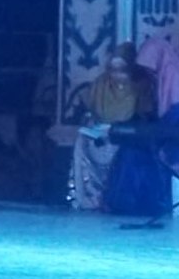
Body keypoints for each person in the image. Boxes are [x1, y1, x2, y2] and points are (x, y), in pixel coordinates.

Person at [68, 42, 154, 210]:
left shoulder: (141, 86)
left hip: (127, 138)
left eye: (122, 70)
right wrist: (94, 127)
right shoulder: (101, 84)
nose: (116, 75)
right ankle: (87, 198)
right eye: (112, 70)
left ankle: (114, 198)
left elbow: (145, 118)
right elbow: (92, 112)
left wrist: (121, 129)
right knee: (81, 141)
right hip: (100, 135)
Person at [103, 37, 179, 215]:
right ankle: (129, 206)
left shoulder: (174, 79)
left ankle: (148, 204)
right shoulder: (156, 82)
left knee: (137, 155)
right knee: (129, 151)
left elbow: (170, 124)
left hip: (172, 142)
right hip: (162, 136)